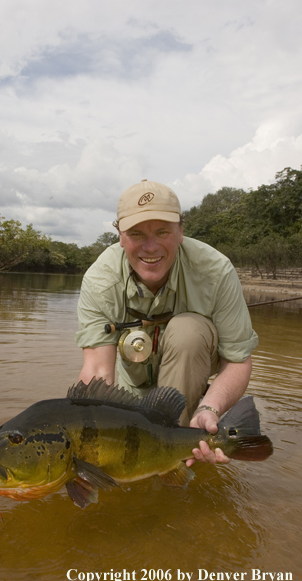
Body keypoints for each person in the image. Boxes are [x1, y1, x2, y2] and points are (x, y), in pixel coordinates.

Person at [75, 180, 258, 466]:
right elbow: (98, 370)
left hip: (189, 400)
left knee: (188, 331)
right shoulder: (100, 280)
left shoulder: (216, 271)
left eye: (162, 232)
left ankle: (182, 442)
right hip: (129, 404)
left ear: (181, 231)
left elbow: (237, 361)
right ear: (120, 237)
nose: (150, 247)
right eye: (136, 234)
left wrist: (210, 409)